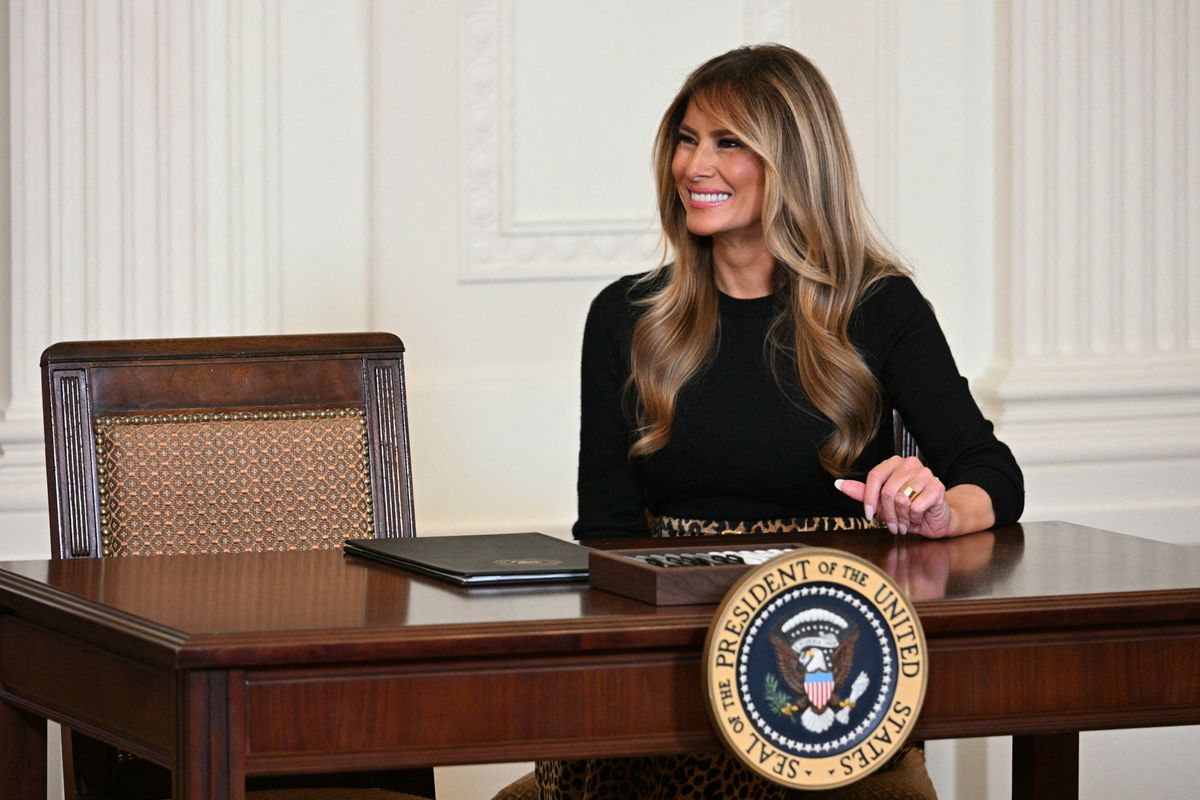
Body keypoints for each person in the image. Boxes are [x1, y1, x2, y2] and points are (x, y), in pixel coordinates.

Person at [543, 43, 1023, 799]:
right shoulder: (624, 318)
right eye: (687, 138)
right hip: (669, 650)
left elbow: (992, 474)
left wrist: (938, 511)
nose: (695, 165)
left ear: (794, 162)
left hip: (831, 653)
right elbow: (604, 533)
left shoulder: (881, 308)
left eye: (728, 142)